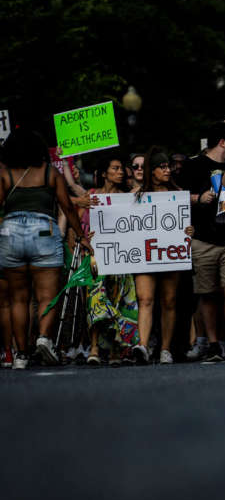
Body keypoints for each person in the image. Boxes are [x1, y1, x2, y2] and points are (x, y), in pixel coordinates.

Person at [0, 129, 90, 368]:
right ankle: (44, 338)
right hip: (44, 232)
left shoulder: (5, 174)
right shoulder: (50, 174)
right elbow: (68, 208)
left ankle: (20, 355)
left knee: (18, 298)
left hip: (11, 234)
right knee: (46, 296)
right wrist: (82, 237)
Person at [182, 122, 225, 362]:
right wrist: (198, 198)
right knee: (207, 293)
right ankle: (212, 344)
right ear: (222, 142)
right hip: (203, 238)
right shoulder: (193, 165)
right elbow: (176, 196)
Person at [132, 151, 189, 364]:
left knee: (169, 300)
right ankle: (143, 346)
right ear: (152, 171)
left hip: (169, 253)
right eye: (162, 167)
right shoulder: (137, 194)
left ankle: (165, 349)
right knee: (145, 299)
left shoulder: (177, 193)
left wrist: (188, 230)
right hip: (145, 255)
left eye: (168, 167)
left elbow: (184, 225)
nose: (167, 170)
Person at [81, 154, 138, 366]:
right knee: (95, 299)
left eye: (121, 168)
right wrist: (87, 240)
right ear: (104, 173)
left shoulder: (127, 197)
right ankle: (94, 346)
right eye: (115, 168)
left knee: (118, 299)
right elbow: (83, 224)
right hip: (97, 257)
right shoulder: (92, 195)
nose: (120, 172)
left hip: (121, 257)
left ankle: (115, 347)